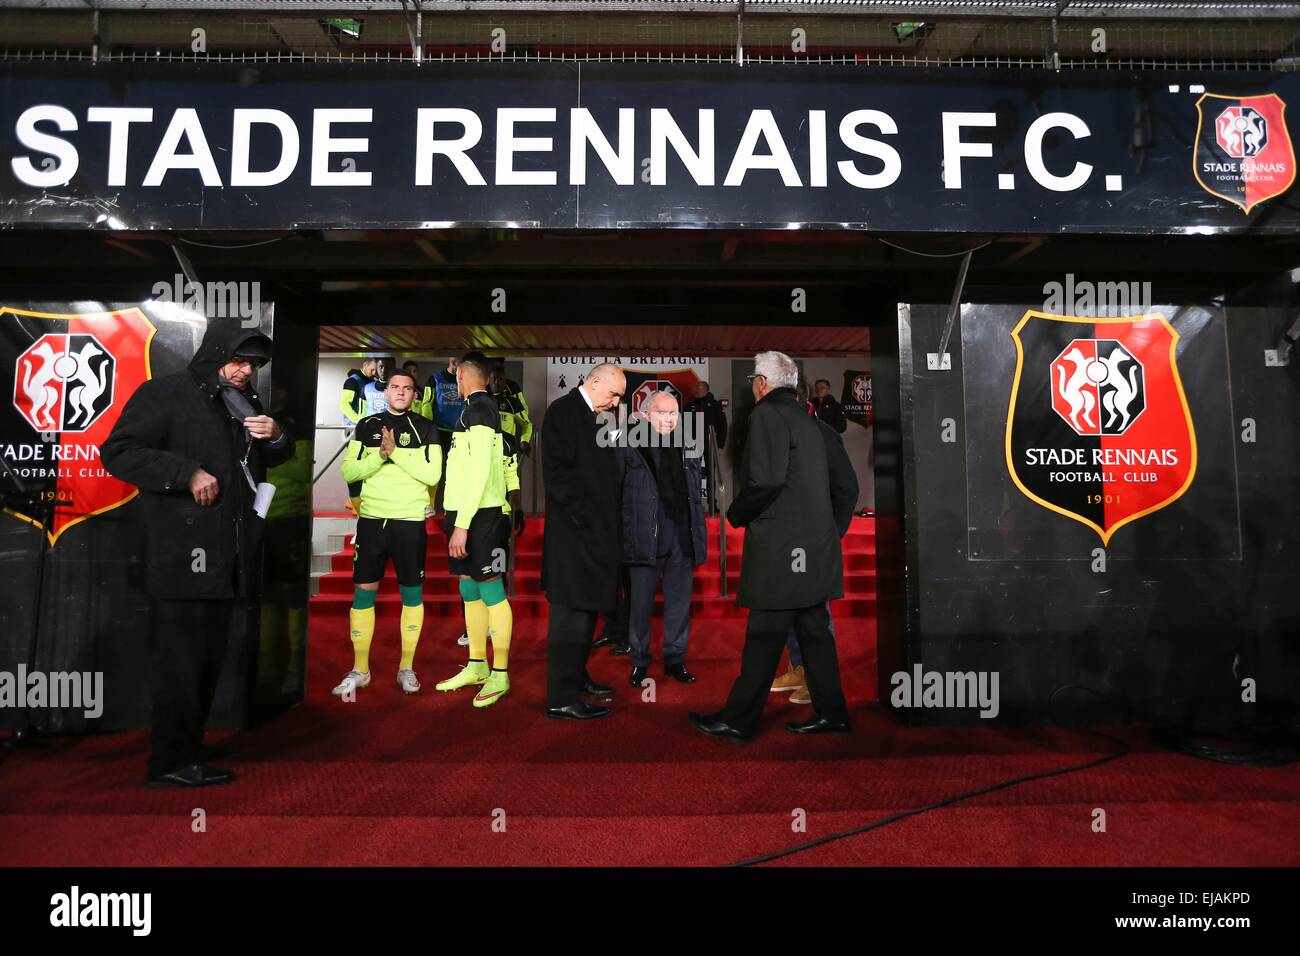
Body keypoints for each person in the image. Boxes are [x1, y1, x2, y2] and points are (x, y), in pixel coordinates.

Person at [101, 321, 292, 787]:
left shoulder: (243, 402)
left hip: (228, 557)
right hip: (183, 557)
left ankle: (187, 750)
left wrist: (277, 436)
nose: (247, 371)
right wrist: (185, 472)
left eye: (254, 364)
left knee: (206, 661)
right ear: (215, 352)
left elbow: (270, 460)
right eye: (239, 360)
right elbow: (118, 451)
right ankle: (169, 762)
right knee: (181, 664)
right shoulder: (165, 392)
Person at [689, 351, 850, 743]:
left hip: (780, 553)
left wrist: (736, 515)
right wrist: (829, 534)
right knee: (815, 634)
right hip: (815, 551)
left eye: (752, 381)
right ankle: (833, 715)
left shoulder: (765, 416)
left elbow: (766, 481)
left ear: (762, 383)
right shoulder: (815, 424)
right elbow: (846, 488)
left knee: (763, 636)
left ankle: (738, 720)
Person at [331, 370, 441, 699]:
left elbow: (433, 473)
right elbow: (349, 470)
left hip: (409, 520)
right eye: (395, 386)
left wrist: (396, 453)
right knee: (364, 592)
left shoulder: (425, 427)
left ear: (415, 395)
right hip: (372, 519)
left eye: (408, 388)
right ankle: (360, 669)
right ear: (387, 391)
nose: (401, 392)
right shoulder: (367, 426)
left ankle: (406, 666)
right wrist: (379, 456)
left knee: (412, 594)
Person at [541, 362, 626, 719]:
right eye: (614, 393)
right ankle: (561, 697)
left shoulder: (597, 416)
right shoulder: (563, 412)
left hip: (595, 537)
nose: (617, 401)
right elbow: (559, 478)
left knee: (587, 611)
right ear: (594, 382)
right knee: (570, 616)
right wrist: (590, 522)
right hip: (574, 539)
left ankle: (576, 677)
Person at [434, 354, 516, 707]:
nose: (454, 377)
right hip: (465, 515)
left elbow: (482, 470)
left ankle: (500, 674)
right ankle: (477, 665)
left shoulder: (481, 409)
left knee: (491, 591)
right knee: (468, 588)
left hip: (483, 518)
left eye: (456, 372)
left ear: (464, 375)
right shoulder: (472, 409)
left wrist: (463, 526)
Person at [774, 385, 859, 704]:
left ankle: (820, 680)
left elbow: (848, 487)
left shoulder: (822, 433)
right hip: (786, 540)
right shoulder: (783, 433)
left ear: (800, 403)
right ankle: (799, 666)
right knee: (792, 607)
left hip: (815, 541)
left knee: (815, 612)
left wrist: (831, 534)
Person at [620, 390, 707, 687]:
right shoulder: (629, 444)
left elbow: (696, 492)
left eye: (673, 413)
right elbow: (619, 493)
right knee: (640, 605)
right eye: (662, 413)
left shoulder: (690, 444)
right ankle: (639, 660)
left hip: (682, 536)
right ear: (645, 415)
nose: (669, 419)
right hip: (646, 536)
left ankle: (675, 659)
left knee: (679, 603)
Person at [340, 358, 379, 515]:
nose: (375, 373)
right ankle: (353, 501)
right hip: (353, 429)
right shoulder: (353, 382)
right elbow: (344, 404)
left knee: (368, 464)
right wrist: (359, 421)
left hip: (367, 429)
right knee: (355, 465)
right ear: (365, 365)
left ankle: (360, 502)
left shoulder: (372, 383)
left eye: (377, 370)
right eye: (373, 369)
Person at [685, 380, 728, 514]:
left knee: (710, 474)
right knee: (693, 473)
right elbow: (684, 426)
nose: (696, 389)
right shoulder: (689, 405)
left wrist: (720, 445)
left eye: (699, 387)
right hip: (693, 445)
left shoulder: (714, 405)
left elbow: (723, 425)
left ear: (706, 389)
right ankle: (694, 503)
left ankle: (712, 505)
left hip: (710, 444)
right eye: (695, 386)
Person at [489, 358, 534, 456]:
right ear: (489, 379)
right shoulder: (481, 399)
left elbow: (526, 422)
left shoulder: (512, 399)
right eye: (494, 378)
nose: (497, 382)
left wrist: (524, 440)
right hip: (486, 453)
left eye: (500, 379)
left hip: (507, 452)